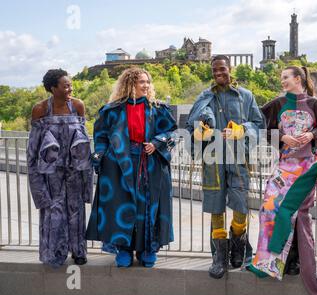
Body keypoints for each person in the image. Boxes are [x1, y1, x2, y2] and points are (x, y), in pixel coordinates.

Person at [248, 66, 317, 295]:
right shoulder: (275, 106)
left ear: (298, 79)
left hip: (307, 166)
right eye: (281, 78)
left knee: (289, 210)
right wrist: (283, 137)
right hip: (284, 165)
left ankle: (284, 260)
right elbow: (265, 131)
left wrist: (311, 135)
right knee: (268, 207)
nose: (282, 81)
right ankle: (266, 261)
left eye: (286, 78)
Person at [86, 67, 177, 268]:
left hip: (151, 164)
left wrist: (157, 143)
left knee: (148, 207)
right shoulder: (111, 110)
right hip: (119, 166)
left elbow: (173, 133)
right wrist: (101, 157)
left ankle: (147, 250)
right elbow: (100, 137)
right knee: (123, 206)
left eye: (147, 82)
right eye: (141, 82)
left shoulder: (158, 109)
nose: (146, 85)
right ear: (130, 85)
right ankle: (124, 249)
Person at [186, 55, 265, 279]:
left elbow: (259, 125)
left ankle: (239, 247)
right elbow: (190, 125)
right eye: (214, 70)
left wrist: (242, 130)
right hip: (213, 159)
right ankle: (219, 257)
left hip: (239, 158)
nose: (218, 73)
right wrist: (201, 131)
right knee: (215, 205)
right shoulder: (205, 97)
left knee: (240, 204)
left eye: (222, 69)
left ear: (230, 69)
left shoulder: (246, 97)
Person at [27, 69, 92, 267]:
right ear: (53, 88)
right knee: (53, 212)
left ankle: (79, 251)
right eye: (65, 86)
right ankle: (54, 253)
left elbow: (84, 142)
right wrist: (36, 183)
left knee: (76, 210)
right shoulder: (40, 110)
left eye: (71, 85)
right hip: (50, 173)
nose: (70, 89)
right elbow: (33, 149)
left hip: (74, 170)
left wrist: (87, 178)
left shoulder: (78, 106)